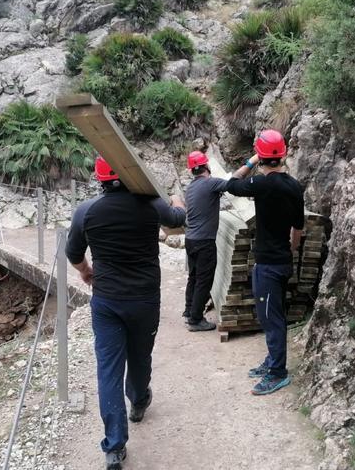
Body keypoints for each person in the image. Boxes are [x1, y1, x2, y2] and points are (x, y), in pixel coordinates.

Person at [66, 156, 186, 470]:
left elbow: (73, 253)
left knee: (108, 369)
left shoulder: (87, 211)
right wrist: (175, 197)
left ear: (99, 178)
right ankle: (139, 399)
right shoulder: (151, 204)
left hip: (106, 301)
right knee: (140, 355)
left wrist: (85, 271)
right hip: (144, 299)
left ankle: (114, 447)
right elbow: (177, 220)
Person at [225, 130, 304, 396]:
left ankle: (278, 372)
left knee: (271, 318)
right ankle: (273, 362)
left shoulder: (259, 184)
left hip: (268, 265)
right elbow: (298, 228)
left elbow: (231, 184)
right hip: (281, 261)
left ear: (262, 157)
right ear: (283, 154)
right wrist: (290, 250)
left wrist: (250, 161)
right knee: (274, 314)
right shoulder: (294, 186)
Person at [182, 150, 226, 332]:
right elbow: (234, 182)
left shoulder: (191, 188)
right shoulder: (210, 184)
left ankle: (188, 310)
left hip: (190, 240)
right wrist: (250, 163)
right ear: (206, 166)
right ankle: (196, 319)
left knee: (193, 277)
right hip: (204, 242)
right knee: (204, 280)